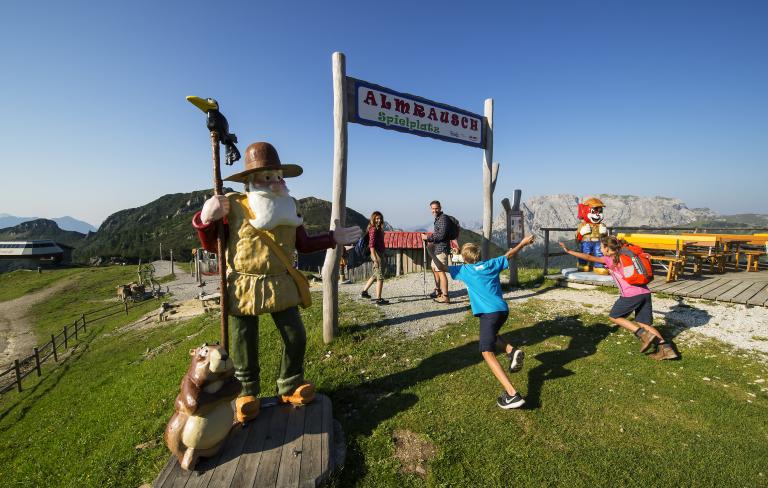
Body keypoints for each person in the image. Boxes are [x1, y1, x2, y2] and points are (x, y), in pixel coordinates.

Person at [193, 142, 362, 423]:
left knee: (295, 334)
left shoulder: (289, 206)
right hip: (243, 284)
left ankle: (291, 384)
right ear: (250, 180)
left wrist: (333, 238)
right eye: (267, 177)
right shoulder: (233, 206)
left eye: (278, 176)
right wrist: (205, 219)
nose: (276, 182)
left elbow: (303, 244)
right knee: (243, 340)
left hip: (280, 281)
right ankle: (246, 393)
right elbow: (213, 245)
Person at [427, 235, 536, 409]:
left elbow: (440, 267)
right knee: (492, 336)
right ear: (479, 255)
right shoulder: (491, 264)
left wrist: (430, 251)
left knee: (486, 351)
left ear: (464, 258)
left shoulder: (464, 270)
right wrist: (523, 242)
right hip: (502, 310)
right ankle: (511, 351)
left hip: (488, 313)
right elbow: (509, 254)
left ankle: (512, 394)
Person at [559, 236, 679, 360]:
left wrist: (569, 251)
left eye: (601, 247)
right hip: (645, 292)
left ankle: (643, 334)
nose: (600, 250)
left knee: (614, 316)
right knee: (643, 323)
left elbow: (589, 258)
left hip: (631, 295)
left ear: (607, 248)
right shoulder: (627, 256)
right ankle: (666, 349)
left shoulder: (610, 259)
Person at [421, 200, 451, 303]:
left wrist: (427, 237)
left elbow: (441, 235)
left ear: (440, 208)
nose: (434, 210)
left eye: (436, 208)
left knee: (441, 271)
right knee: (434, 268)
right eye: (433, 209)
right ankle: (438, 291)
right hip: (437, 249)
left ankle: (445, 296)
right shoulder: (438, 219)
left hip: (442, 249)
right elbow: (438, 234)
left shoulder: (443, 219)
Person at [360, 211, 389, 305]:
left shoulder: (377, 229)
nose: (379, 220)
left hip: (380, 253)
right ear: (373, 219)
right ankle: (379, 299)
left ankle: (364, 292)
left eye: (380, 218)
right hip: (377, 255)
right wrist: (375, 259)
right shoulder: (373, 230)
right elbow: (371, 245)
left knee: (376, 274)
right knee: (380, 277)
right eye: (377, 218)